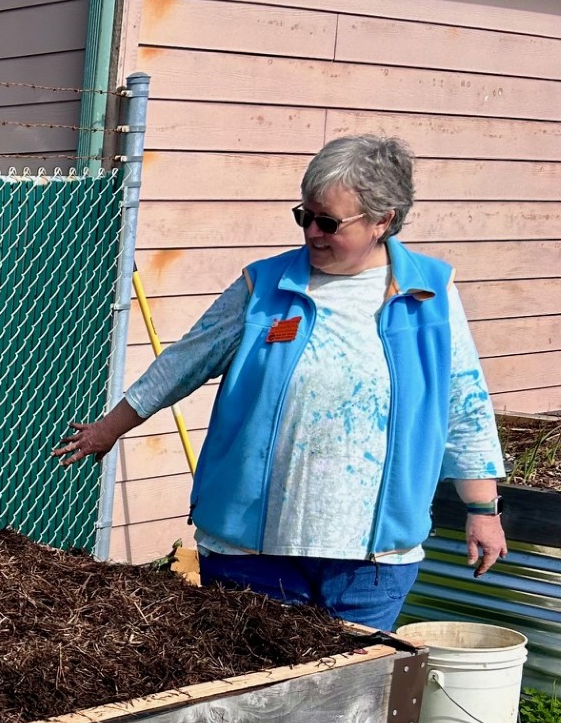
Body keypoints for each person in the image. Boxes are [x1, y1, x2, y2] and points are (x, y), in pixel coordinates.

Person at [55, 134, 505, 632]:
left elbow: (463, 405)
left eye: (329, 222)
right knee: (247, 689)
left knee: (349, 695)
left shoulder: (429, 294)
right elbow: (182, 363)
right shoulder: (264, 287)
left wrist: (482, 509)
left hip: (372, 559)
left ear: (384, 220)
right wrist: (108, 428)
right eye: (304, 216)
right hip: (252, 551)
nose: (312, 232)